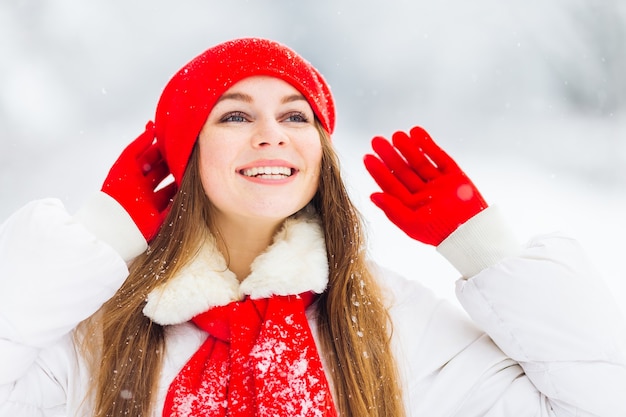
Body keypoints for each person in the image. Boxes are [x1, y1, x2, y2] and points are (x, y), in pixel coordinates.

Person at [0, 37, 624, 417]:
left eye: (296, 116)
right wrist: (96, 238)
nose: (271, 133)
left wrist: (489, 252)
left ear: (319, 152)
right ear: (184, 156)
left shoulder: (388, 321)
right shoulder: (102, 331)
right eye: (234, 115)